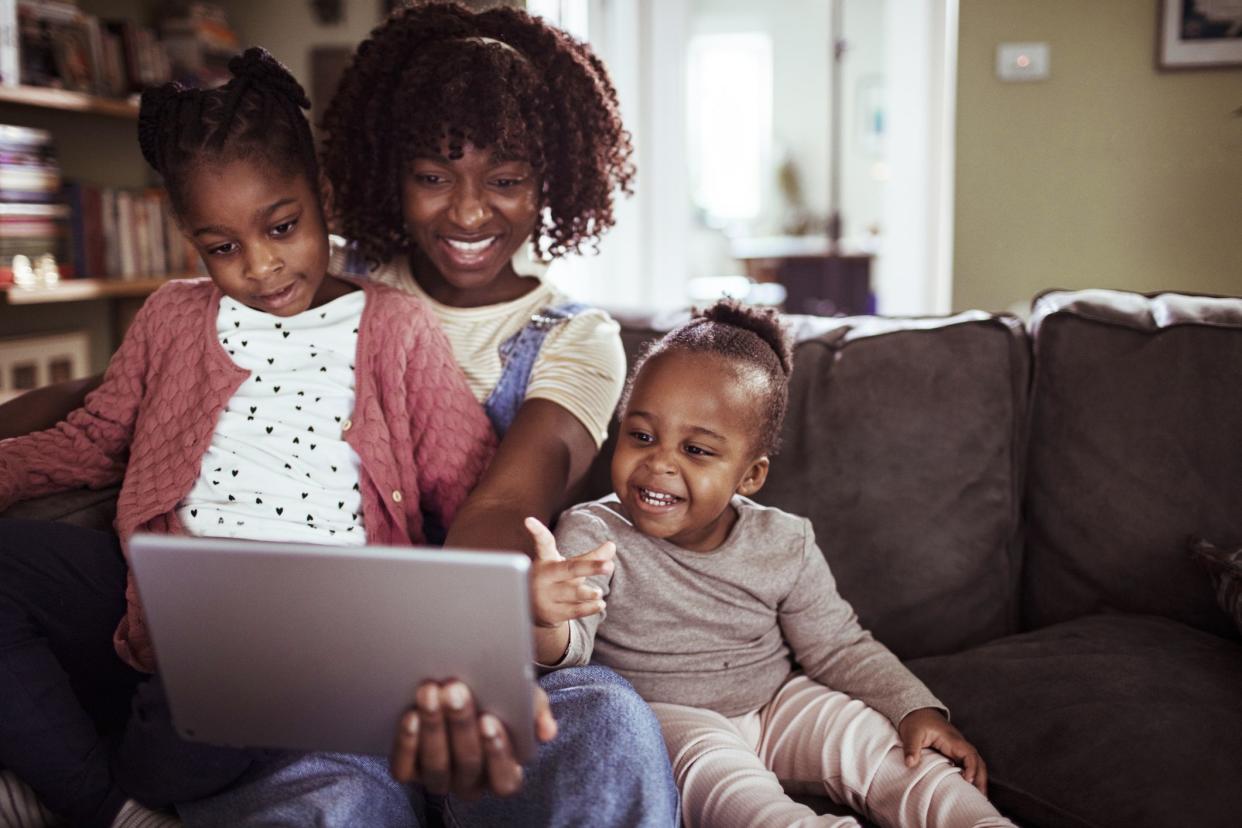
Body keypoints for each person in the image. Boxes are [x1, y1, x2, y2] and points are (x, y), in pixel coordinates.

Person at [0, 4, 678, 826]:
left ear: (553, 179)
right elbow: (117, 403)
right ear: (386, 174)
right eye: (433, 176)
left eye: (505, 179)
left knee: (606, 723)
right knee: (322, 791)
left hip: (455, 625)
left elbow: (500, 499)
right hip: (273, 635)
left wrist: (455, 649)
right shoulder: (308, 273)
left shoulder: (565, 337)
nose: (467, 214)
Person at [0, 48, 498, 828]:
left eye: (282, 228)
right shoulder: (172, 315)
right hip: (169, 593)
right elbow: (94, 438)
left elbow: (467, 488)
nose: (261, 267)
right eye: (222, 248)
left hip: (316, 615)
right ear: (190, 239)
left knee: (184, 736)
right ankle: (107, 806)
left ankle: (126, 759)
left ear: (321, 194)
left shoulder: (394, 329)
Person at [529, 300, 1019, 827]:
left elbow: (839, 646)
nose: (660, 462)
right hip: (673, 721)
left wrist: (912, 708)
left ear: (750, 475)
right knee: (739, 795)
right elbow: (570, 656)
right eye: (642, 435)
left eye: (696, 450)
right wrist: (546, 617)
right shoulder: (593, 532)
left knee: (887, 751)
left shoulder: (784, 541)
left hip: (778, 702)